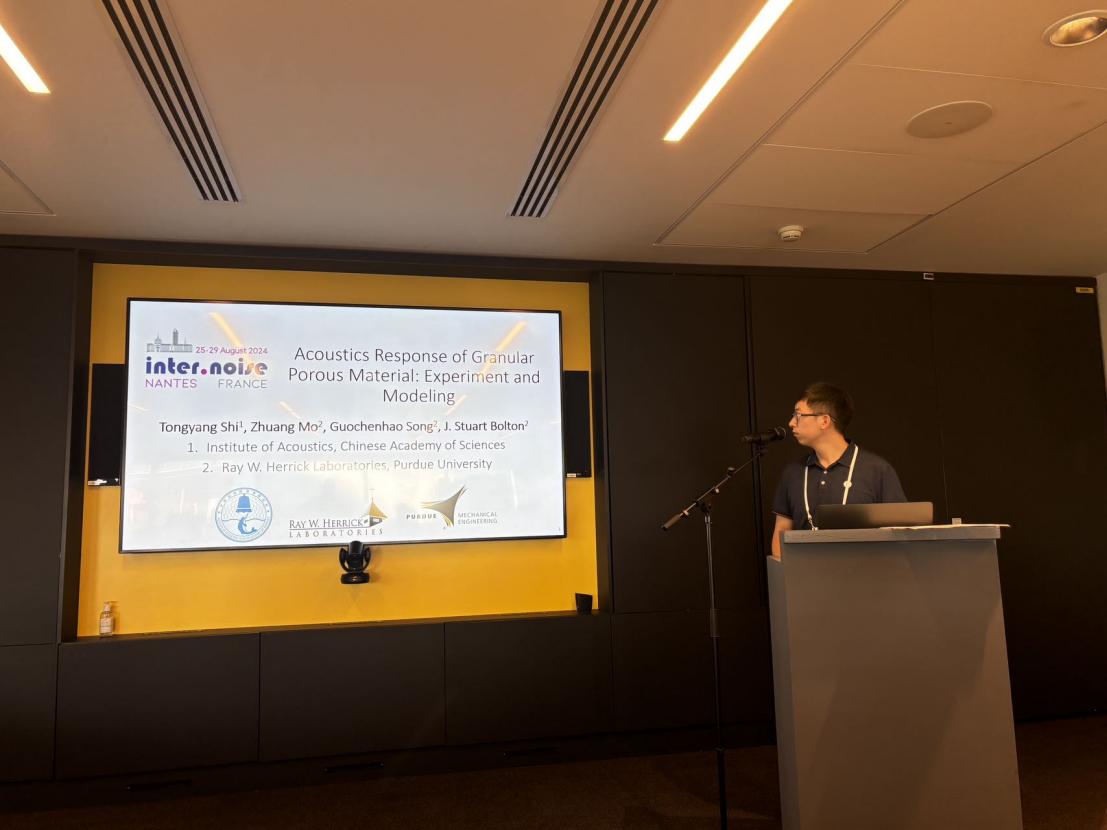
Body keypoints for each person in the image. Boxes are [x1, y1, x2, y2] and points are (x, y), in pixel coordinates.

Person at [771, 382, 905, 558]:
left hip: (864, 571)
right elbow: (781, 531)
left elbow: (899, 533)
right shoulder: (792, 473)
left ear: (824, 421)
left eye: (798, 415)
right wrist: (785, 571)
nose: (791, 423)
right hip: (805, 572)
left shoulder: (877, 470)